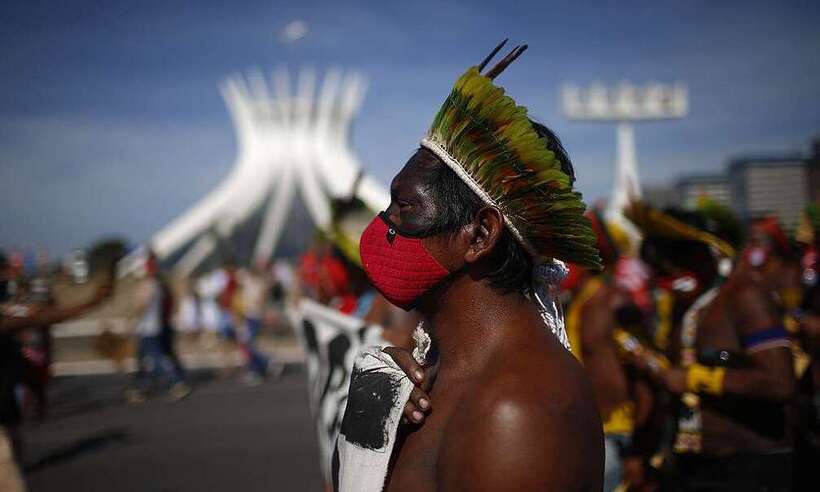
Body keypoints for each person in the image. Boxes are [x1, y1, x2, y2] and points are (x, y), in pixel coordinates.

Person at [334, 41, 603, 491]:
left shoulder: (515, 410)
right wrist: (365, 439)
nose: (385, 225)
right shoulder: (433, 373)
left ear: (479, 235)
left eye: (404, 207)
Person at [627, 201, 795, 491]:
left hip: (750, 466)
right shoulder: (685, 307)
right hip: (692, 466)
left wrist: (694, 378)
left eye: (679, 259)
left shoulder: (744, 296)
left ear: (706, 255)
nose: (670, 273)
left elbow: (780, 382)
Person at [564, 211, 656, 492]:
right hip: (585, 432)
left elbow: (645, 375)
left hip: (615, 434)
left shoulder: (614, 301)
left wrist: (639, 450)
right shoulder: (575, 302)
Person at [1, 265, 112, 492]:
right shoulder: (8, 321)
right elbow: (42, 318)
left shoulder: (10, 319)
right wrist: (92, 303)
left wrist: (92, 302)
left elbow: (41, 318)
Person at [126, 251, 190, 402]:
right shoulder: (160, 286)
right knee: (143, 359)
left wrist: (129, 319)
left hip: (148, 328)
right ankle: (139, 388)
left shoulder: (148, 285)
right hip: (156, 326)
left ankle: (176, 383)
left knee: (156, 358)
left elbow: (142, 305)